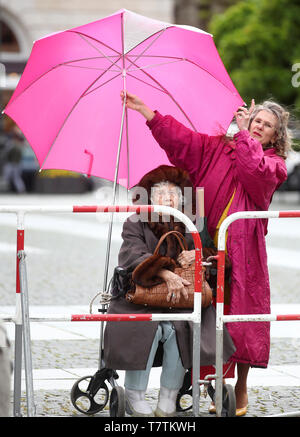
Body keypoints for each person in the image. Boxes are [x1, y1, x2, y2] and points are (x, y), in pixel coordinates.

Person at [120, 91, 290, 416]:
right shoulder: (216, 148)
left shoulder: (275, 165)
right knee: (208, 315)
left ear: (274, 136)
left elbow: (254, 172)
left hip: (246, 253)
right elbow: (183, 142)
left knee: (240, 319)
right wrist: (147, 112)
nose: (258, 126)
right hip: (207, 245)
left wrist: (241, 136)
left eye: (266, 125)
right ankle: (209, 382)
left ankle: (240, 385)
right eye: (256, 120)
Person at [103, 165, 236, 417]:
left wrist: (198, 255)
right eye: (161, 192)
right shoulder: (136, 221)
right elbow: (132, 256)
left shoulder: (192, 222)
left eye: (173, 192)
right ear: (150, 197)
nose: (168, 197)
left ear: (182, 196)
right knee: (151, 326)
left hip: (182, 300)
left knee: (179, 327)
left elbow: (218, 258)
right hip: (142, 296)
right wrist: (164, 271)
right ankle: (134, 394)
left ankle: (169, 395)